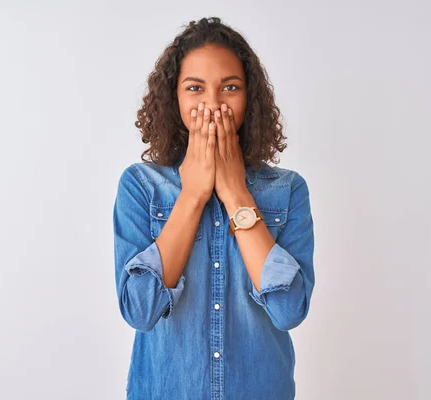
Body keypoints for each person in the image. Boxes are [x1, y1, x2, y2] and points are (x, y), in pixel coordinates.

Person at [113, 16, 315, 400]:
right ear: (174, 97)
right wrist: (193, 195)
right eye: (195, 88)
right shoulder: (140, 186)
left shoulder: (288, 190)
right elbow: (140, 310)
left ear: (249, 97)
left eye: (230, 87)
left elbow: (289, 310)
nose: (212, 104)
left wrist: (236, 193)